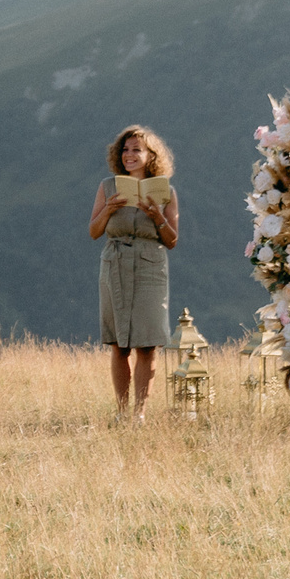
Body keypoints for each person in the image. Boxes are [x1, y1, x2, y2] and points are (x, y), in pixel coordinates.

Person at [87, 124, 178, 422]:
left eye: (136, 149)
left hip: (151, 265)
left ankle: (139, 412)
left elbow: (172, 240)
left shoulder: (165, 191)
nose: (129, 155)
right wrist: (108, 211)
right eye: (125, 149)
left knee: (147, 343)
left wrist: (156, 216)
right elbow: (94, 232)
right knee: (119, 343)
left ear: (151, 155)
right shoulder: (108, 186)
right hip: (115, 264)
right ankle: (121, 410)